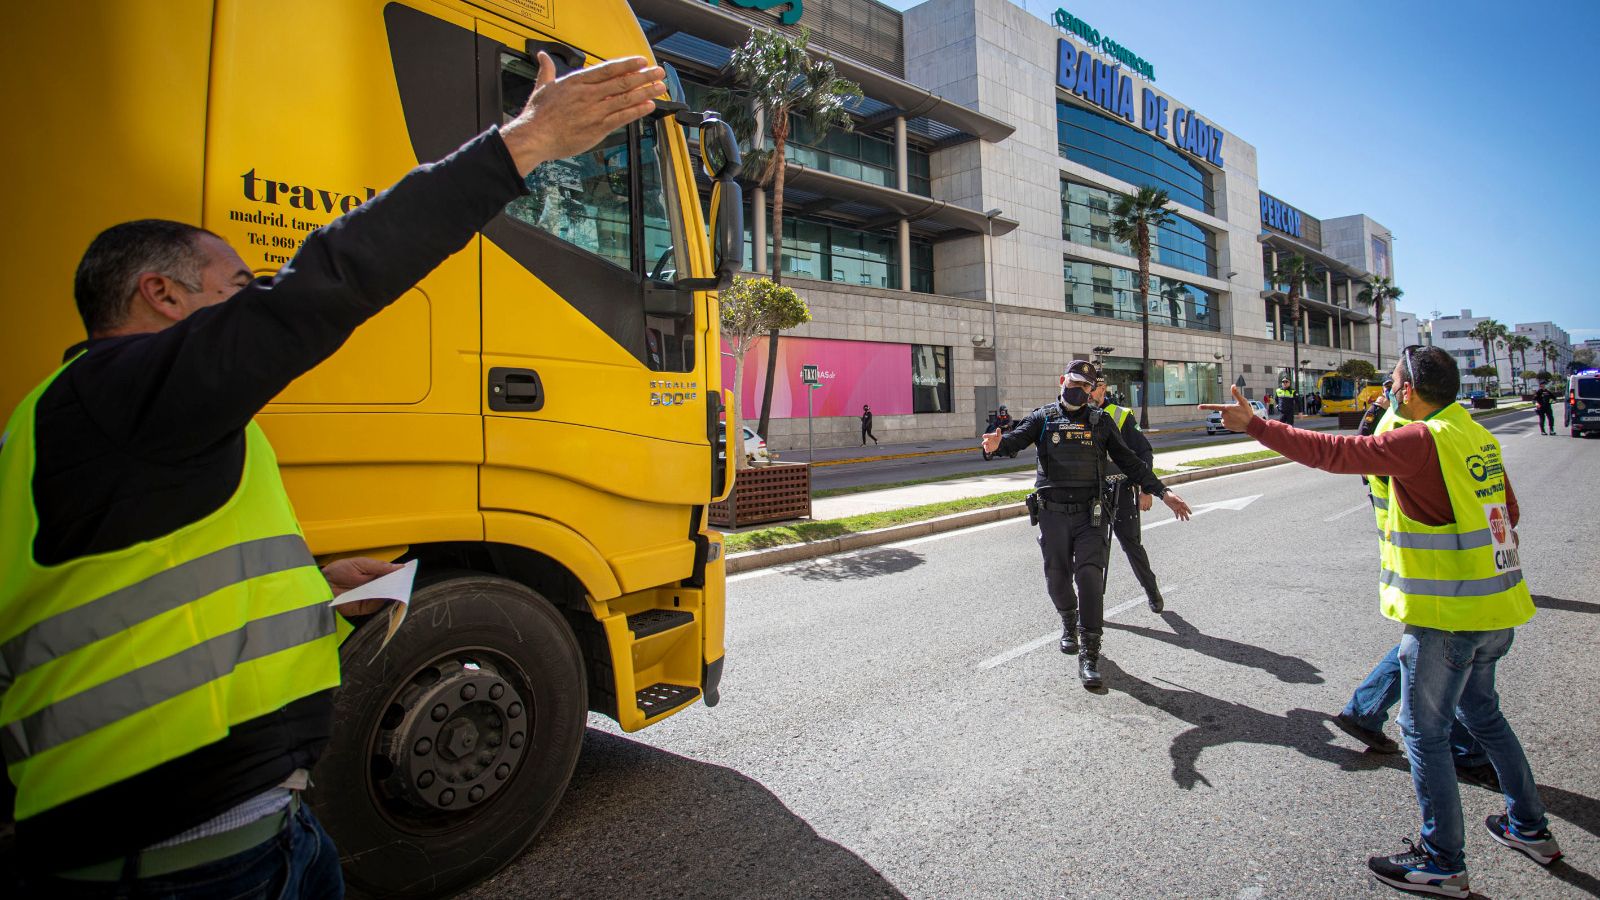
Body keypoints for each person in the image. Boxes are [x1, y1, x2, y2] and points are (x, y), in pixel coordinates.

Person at [0, 53, 666, 896]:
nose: (249, 303)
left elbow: (119, 604)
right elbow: (331, 281)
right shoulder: (122, 394)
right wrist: (523, 144)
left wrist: (310, 588)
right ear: (162, 296)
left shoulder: (78, 422)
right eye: (233, 287)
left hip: (245, 831)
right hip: (186, 862)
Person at [1202, 345, 1560, 898]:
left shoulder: (1419, 440)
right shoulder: (1471, 433)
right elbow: (1508, 514)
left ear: (1409, 391)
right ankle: (1529, 828)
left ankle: (1442, 860)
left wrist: (1258, 425)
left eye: (1393, 382)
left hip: (1447, 616)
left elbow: (1335, 453)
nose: (1388, 390)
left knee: (1423, 732)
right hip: (1498, 611)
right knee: (1486, 718)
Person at [982, 360, 1192, 688]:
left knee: (1091, 577)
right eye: (1074, 383)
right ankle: (1069, 621)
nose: (1078, 390)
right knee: (1057, 578)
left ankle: (1090, 653)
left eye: (1085, 386)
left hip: (1090, 514)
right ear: (1062, 380)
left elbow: (1131, 462)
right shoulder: (1044, 418)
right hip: (1052, 514)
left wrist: (1162, 491)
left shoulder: (1102, 421)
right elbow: (1014, 441)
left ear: (1092, 390)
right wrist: (995, 446)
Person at [1092, 372, 1165, 612]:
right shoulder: (1077, 415)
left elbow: (1144, 453)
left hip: (1121, 489)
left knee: (1131, 544)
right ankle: (1090, 605)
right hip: (1093, 492)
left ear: (1103, 390)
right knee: (1090, 549)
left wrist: (1145, 490)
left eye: (1093, 387)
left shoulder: (1121, 415)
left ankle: (1152, 591)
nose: (1088, 392)